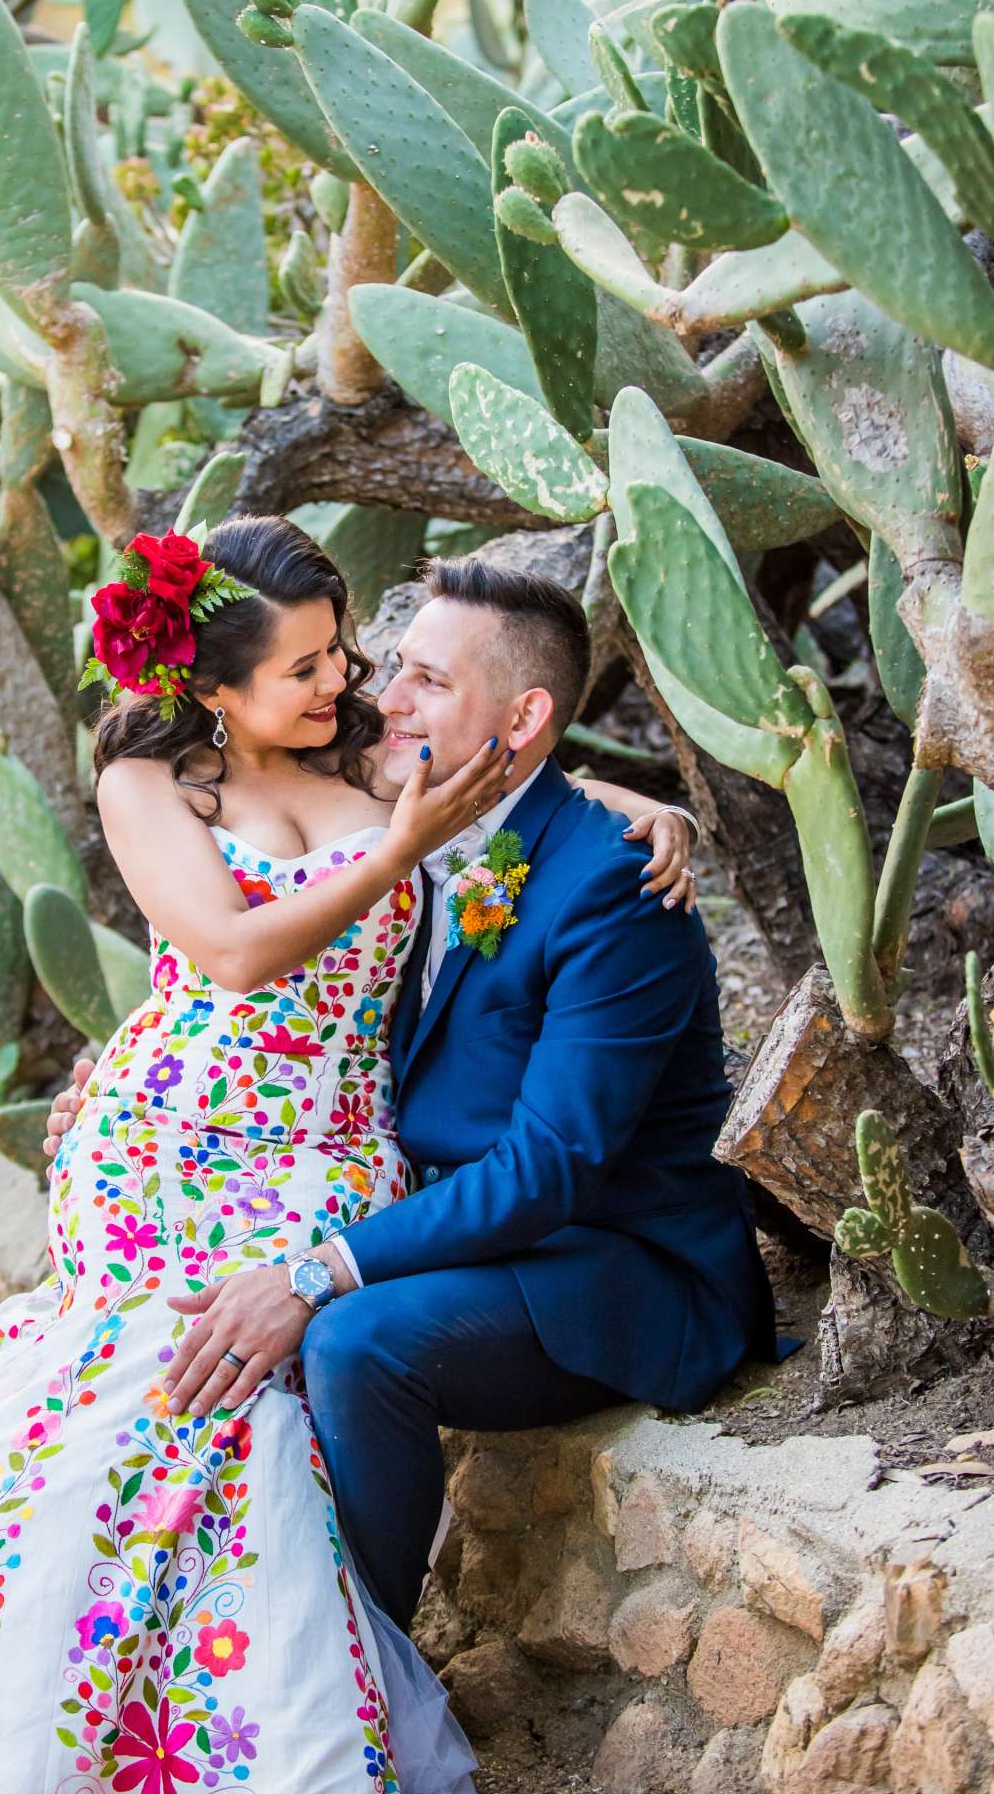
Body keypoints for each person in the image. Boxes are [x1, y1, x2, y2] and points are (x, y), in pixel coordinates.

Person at [0, 517, 697, 1794]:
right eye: (303, 665)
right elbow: (234, 956)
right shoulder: (155, 781)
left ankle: (245, 1727)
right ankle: (2, 1715)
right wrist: (389, 853)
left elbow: (497, 766)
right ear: (211, 686)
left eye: (341, 654)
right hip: (172, 1146)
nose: (341, 680)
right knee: (147, 1400)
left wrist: (637, 802)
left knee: (254, 1407)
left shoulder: (353, 745)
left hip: (332, 1146)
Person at [52, 545, 779, 1641]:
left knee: (348, 1336)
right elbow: (250, 962)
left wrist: (315, 1270)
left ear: (521, 714)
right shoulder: (414, 811)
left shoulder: (614, 883)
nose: (371, 693)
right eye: (383, 666)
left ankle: (363, 1682)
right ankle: (145, 1650)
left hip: (609, 1259)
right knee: (164, 1369)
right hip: (382, 1195)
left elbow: (551, 1169)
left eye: (423, 681)